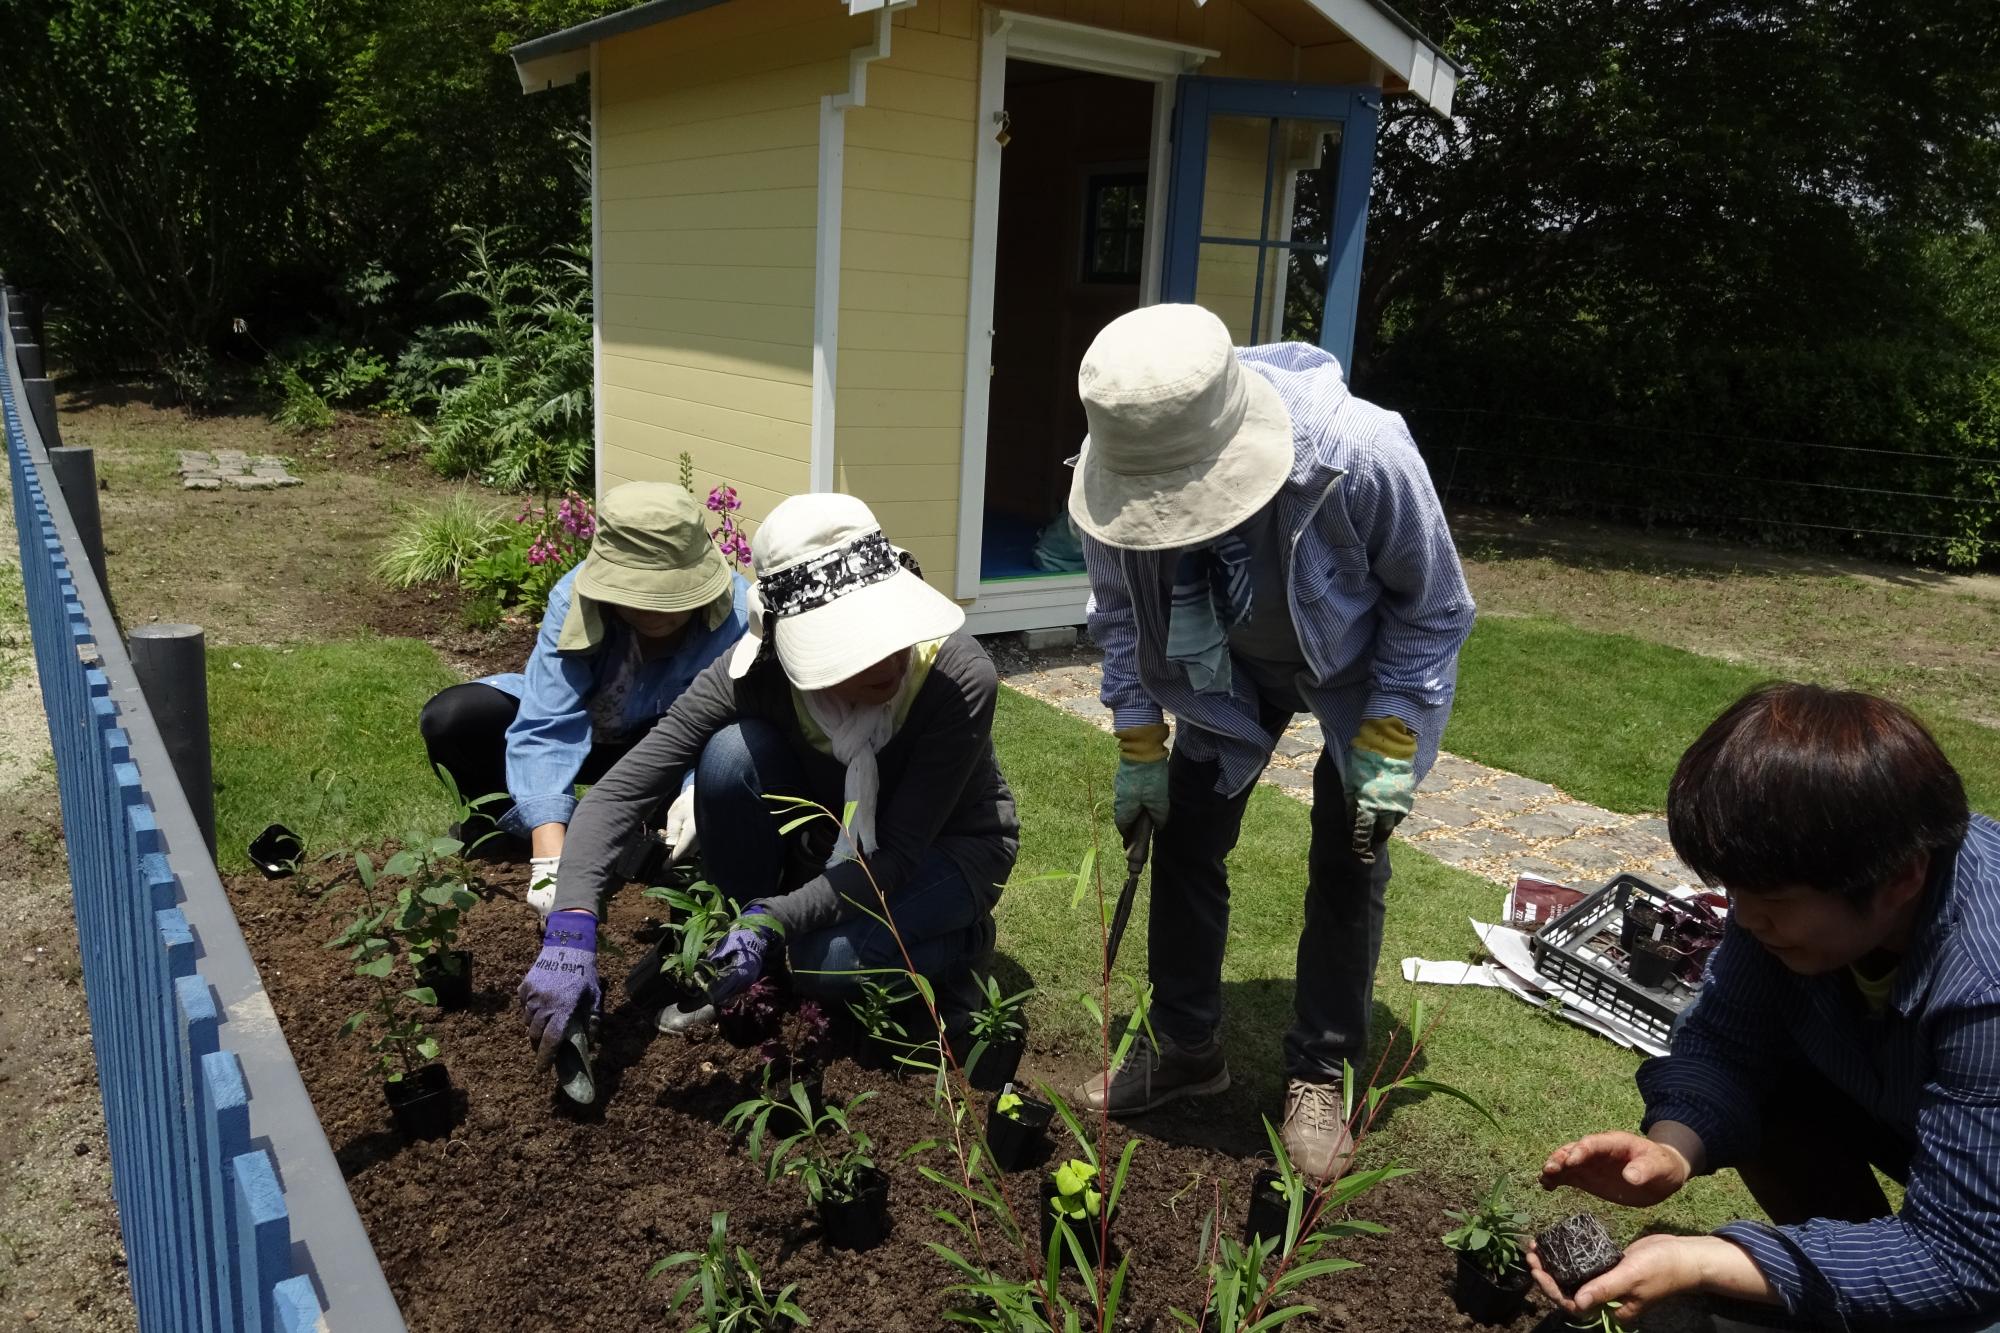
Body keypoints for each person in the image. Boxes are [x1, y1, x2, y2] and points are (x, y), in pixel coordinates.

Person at [1064, 303, 1475, 1179]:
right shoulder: (1112, 476)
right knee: (1185, 837)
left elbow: (1433, 607)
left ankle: (1319, 1070)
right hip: (1225, 665)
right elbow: (1116, 612)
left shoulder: (1360, 455)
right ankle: (1185, 1048)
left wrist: (1392, 732)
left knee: (1350, 853)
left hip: (1356, 663)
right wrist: (1139, 737)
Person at [1533, 683, 2000, 1333]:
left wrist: (1707, 1259)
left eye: (1771, 898)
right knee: (1769, 1087)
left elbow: (1965, 1255)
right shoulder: (1788, 906)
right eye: (1734, 890)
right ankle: (1857, 1296)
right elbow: (1727, 1041)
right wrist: (1672, 1150)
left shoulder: (1986, 980)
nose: (1744, 918)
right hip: (1914, 1115)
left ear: (1901, 877)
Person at [518, 493, 1018, 1058]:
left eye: (888, 632)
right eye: (852, 648)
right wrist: (571, 924)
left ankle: (965, 944)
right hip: (834, 838)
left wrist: (776, 917)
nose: (888, 662)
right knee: (731, 756)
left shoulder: (958, 676)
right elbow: (624, 790)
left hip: (948, 847)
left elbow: (897, 855)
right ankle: (747, 957)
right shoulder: (754, 675)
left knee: (823, 965)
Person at [418, 482, 749, 915]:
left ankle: (661, 845)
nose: (655, 612)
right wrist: (552, 863)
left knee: (724, 767)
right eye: (637, 595)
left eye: (670, 596)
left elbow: (730, 729)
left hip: (672, 753)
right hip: (590, 733)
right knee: (455, 718)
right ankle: (512, 838)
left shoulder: (739, 615)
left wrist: (696, 792)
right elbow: (547, 726)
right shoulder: (572, 599)